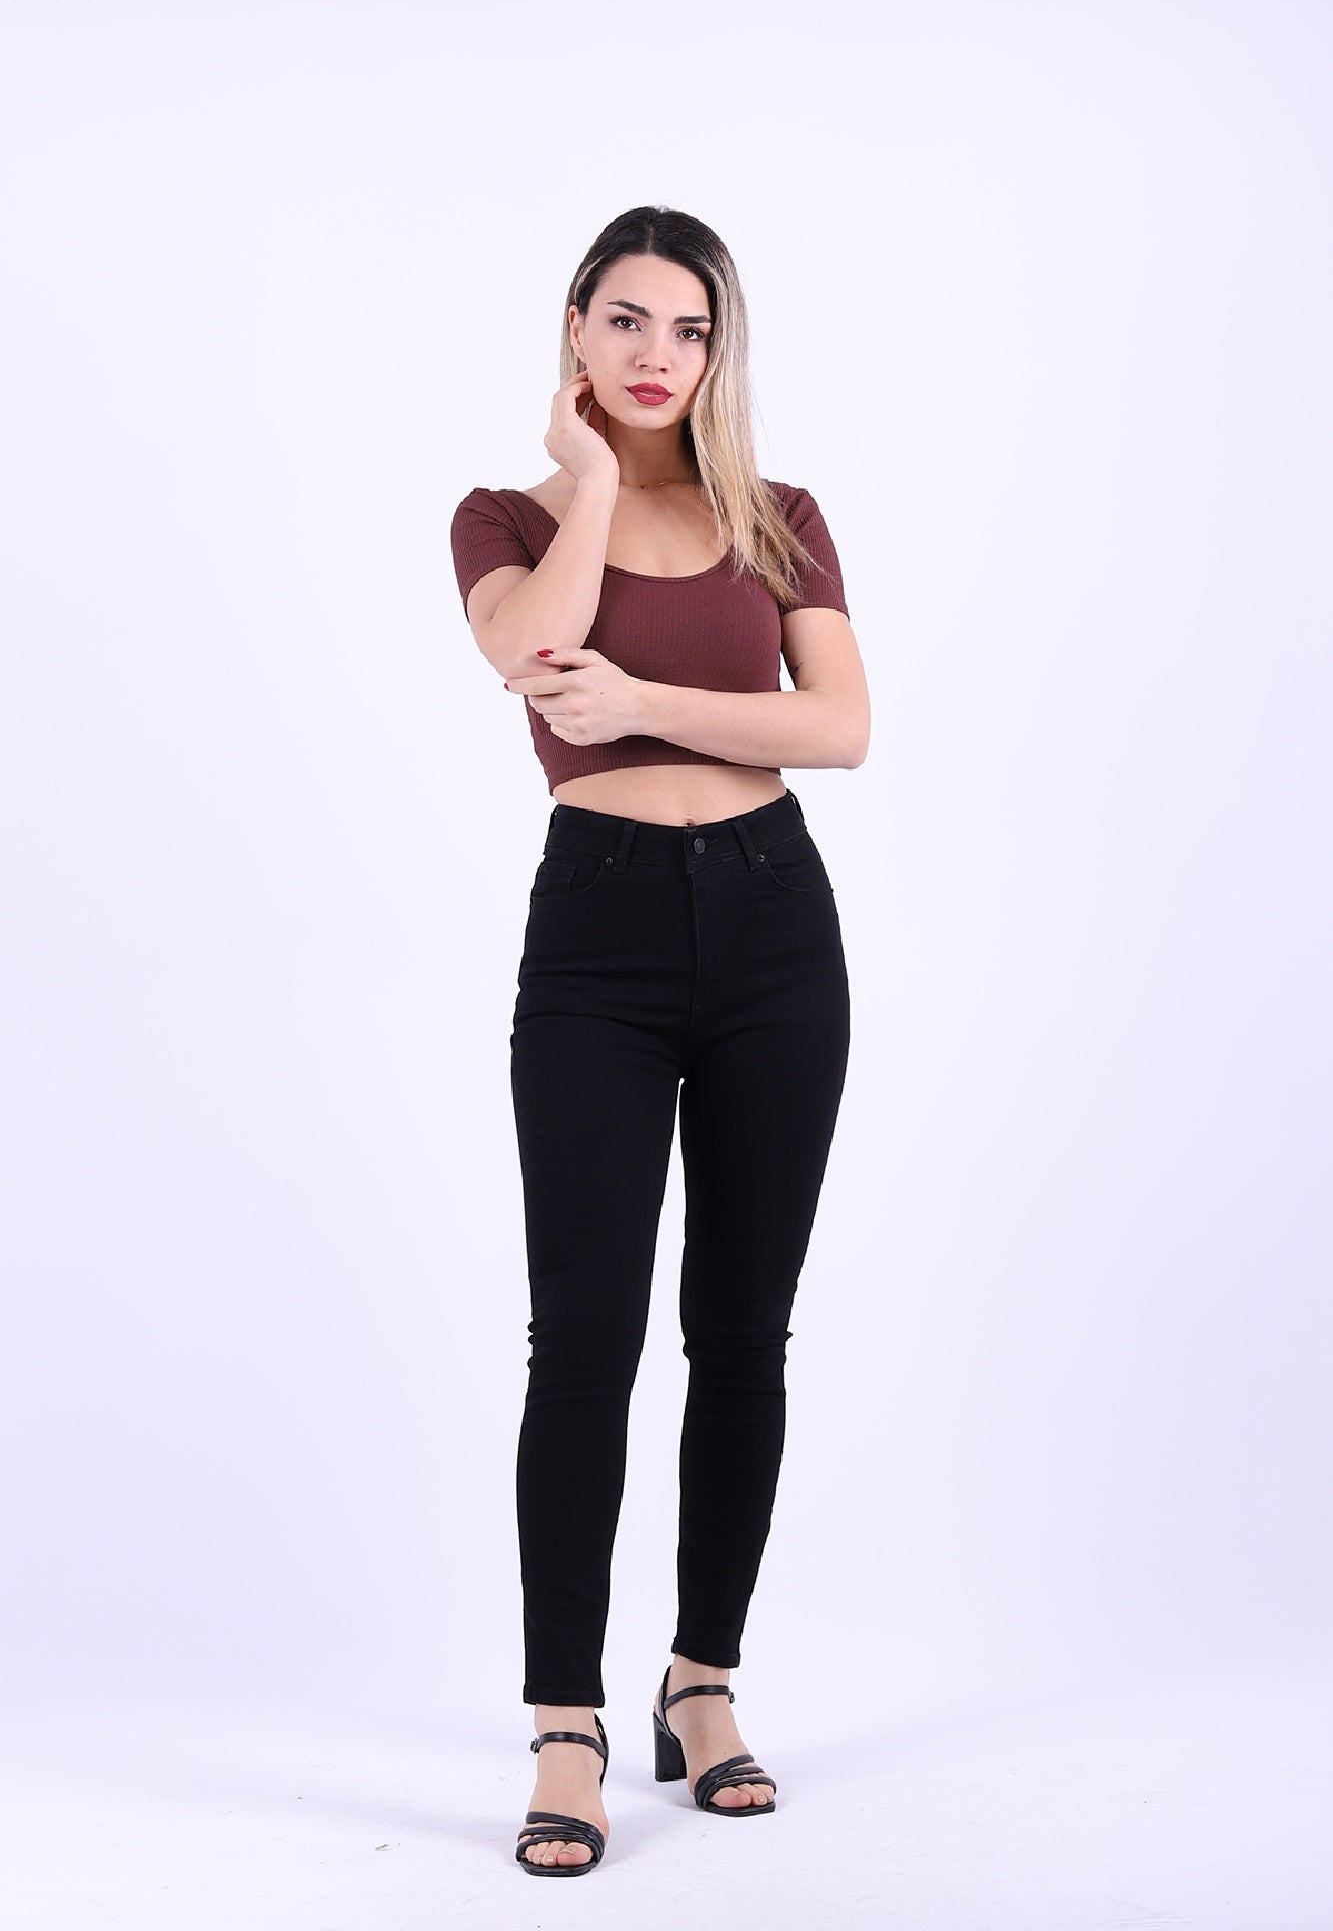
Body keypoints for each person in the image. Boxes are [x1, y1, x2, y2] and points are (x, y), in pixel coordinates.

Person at [450, 205, 871, 1877]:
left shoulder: (780, 518)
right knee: (583, 1336)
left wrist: (643, 707)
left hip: (775, 924)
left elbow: (839, 727)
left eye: (686, 330)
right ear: (574, 330)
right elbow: (529, 655)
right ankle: (567, 1721)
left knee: (743, 1332)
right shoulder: (506, 516)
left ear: (717, 349)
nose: (652, 354)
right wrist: (595, 486)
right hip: (599, 937)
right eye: (622, 319)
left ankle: (702, 1683)